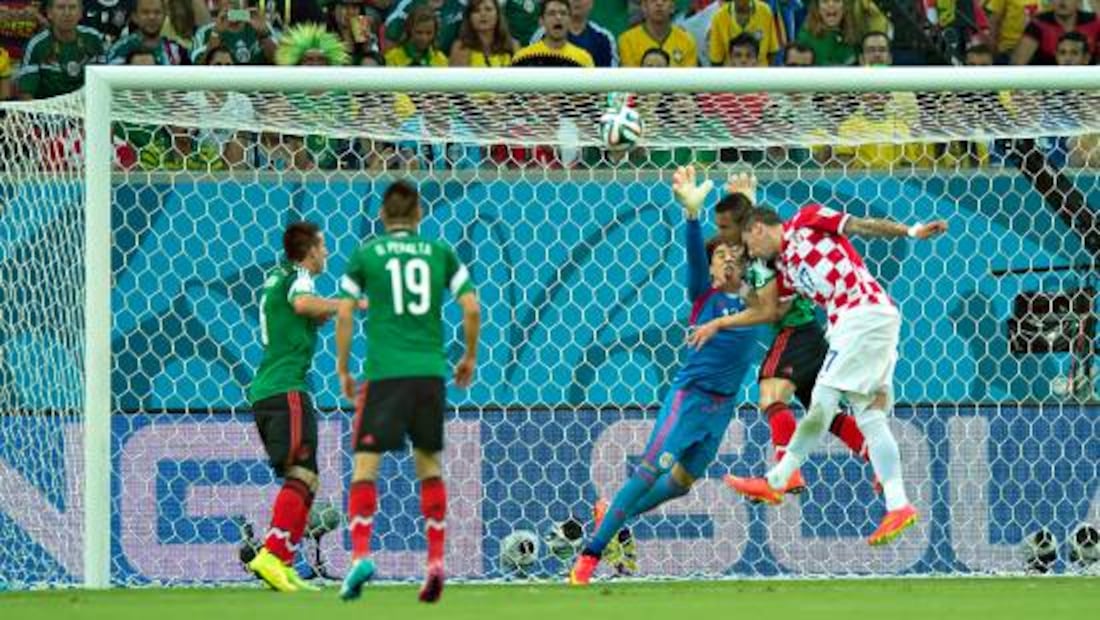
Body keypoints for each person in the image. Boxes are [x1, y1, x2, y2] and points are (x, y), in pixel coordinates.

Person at [568, 165, 763, 585]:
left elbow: (760, 251)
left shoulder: (755, 295)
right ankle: (589, 556)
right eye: (719, 256)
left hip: (722, 408)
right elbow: (696, 253)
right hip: (690, 397)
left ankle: (610, 515)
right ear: (710, 269)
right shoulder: (704, 294)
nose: (728, 258)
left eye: (733, 254)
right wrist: (692, 214)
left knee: (680, 484)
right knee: (648, 472)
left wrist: (748, 207)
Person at [726, 203, 948, 546]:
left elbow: (860, 225)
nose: (752, 252)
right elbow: (772, 308)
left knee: (822, 403)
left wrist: (910, 230)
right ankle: (898, 505)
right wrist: (740, 286)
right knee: (870, 418)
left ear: (758, 228)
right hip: (859, 323)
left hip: (862, 314)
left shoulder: (806, 220)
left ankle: (777, 481)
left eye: (750, 243)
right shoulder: (784, 269)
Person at [338, 181, 481, 604]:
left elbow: (344, 311)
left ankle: (360, 556)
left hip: (384, 374)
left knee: (366, 467)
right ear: (419, 214)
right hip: (428, 373)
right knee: (429, 467)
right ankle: (434, 562)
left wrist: (343, 367)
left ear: (382, 215)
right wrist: (469, 357)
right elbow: (471, 307)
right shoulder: (439, 252)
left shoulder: (366, 254)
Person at [688, 173, 871, 497]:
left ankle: (785, 475)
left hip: (797, 330)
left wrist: (719, 323)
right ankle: (880, 460)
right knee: (825, 413)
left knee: (771, 393)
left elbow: (769, 306)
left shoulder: (759, 256)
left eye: (726, 230)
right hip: (810, 333)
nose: (725, 246)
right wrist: (737, 286)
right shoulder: (754, 261)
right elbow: (760, 288)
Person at [245, 221, 341, 592]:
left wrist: (323, 313)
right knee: (302, 474)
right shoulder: (299, 276)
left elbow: (299, 311)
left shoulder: (277, 276)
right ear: (310, 250)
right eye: (323, 245)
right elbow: (302, 303)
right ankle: (272, 554)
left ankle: (281, 564)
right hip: (286, 389)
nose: (327, 252)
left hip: (268, 390)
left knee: (307, 478)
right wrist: (348, 304)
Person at [17, 0, 106, 99]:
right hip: (47, 106)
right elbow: (26, 93)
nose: (67, 13)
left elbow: (103, 82)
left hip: (87, 104)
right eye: (61, 7)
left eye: (72, 7)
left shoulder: (93, 38)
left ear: (81, 13)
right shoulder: (37, 45)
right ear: (49, 13)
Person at [531, 0, 618, 66]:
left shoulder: (605, 38)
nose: (577, 1)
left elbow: (611, 79)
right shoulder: (542, 35)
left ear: (592, 2)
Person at [1011, 0, 1100, 65]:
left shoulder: (1094, 22)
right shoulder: (1038, 24)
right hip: (1047, 82)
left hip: (1088, 82)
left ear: (1079, 1)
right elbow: (1017, 65)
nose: (1062, 1)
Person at [190, 0, 276, 65]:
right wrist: (216, 34)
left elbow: (279, 64)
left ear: (246, 2)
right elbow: (197, 71)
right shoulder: (205, 32)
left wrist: (263, 35)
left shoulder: (263, 26)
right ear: (218, 3)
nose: (233, 2)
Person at [513, 0, 596, 67]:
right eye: (552, 13)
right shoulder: (522, 58)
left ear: (570, 20)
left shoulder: (584, 59)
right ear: (542, 21)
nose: (558, 17)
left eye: (563, 13)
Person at [619, 0, 698, 67]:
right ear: (644, 7)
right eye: (653, 0)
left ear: (672, 7)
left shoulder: (687, 41)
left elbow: (689, 79)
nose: (659, 3)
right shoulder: (627, 40)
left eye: (664, 0)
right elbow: (630, 79)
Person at [108, 0, 189, 65]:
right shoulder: (119, 50)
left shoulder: (176, 51)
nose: (151, 17)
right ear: (135, 17)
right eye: (145, 12)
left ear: (165, 15)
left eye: (157, 12)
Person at [708, 0, 781, 66]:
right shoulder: (719, 17)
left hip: (760, 73)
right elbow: (716, 60)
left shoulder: (765, 11)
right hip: (732, 74)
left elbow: (772, 51)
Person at [449, 0, 518, 67]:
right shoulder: (461, 48)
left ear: (498, 15)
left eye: (488, 9)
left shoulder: (513, 45)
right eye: (476, 10)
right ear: (469, 18)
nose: (483, 14)